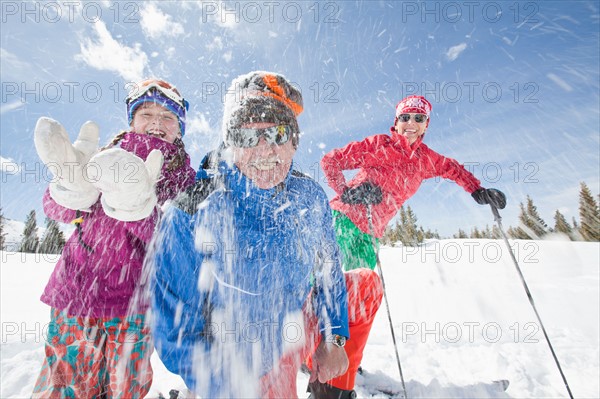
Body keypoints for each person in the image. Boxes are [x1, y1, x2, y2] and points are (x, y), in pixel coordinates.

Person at [150, 71, 383, 399]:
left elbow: (329, 277)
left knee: (364, 286)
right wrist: (218, 382)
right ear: (231, 145)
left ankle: (329, 388)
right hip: (240, 359)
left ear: (294, 140)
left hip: (292, 320)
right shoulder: (194, 207)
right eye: (247, 137)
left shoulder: (309, 197)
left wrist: (335, 338)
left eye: (276, 133)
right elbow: (173, 320)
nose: (264, 150)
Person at [31, 79, 196, 398]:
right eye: (147, 113)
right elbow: (56, 209)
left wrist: (144, 213)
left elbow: (177, 242)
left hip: (135, 308)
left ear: (180, 129)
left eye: (168, 117)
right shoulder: (105, 156)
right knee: (66, 387)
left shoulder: (184, 179)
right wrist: (67, 191)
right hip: (76, 297)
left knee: (125, 388)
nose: (157, 123)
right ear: (132, 120)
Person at [321, 95, 506, 271]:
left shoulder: (425, 159)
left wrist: (477, 190)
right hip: (342, 219)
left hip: (370, 233)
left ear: (426, 125)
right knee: (321, 276)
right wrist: (345, 191)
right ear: (396, 122)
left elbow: (453, 168)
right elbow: (330, 161)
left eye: (419, 118)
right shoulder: (379, 145)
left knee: (360, 290)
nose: (411, 123)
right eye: (405, 117)